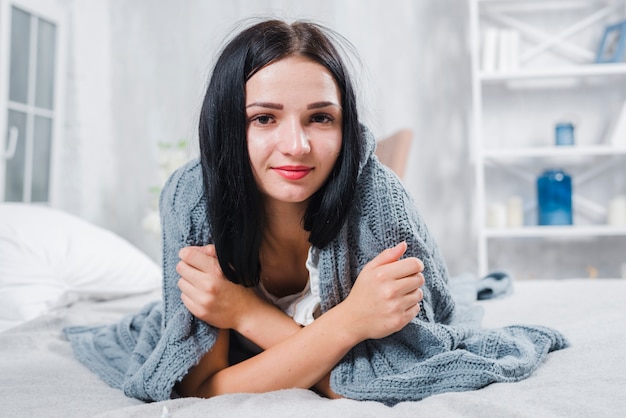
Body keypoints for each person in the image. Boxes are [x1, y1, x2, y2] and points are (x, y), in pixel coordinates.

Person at [65, 18, 567, 405]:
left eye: (320, 118)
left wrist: (246, 313)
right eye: (264, 118)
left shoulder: (379, 198)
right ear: (227, 128)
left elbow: (389, 375)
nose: (296, 145)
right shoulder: (193, 196)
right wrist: (350, 324)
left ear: (345, 126)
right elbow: (201, 389)